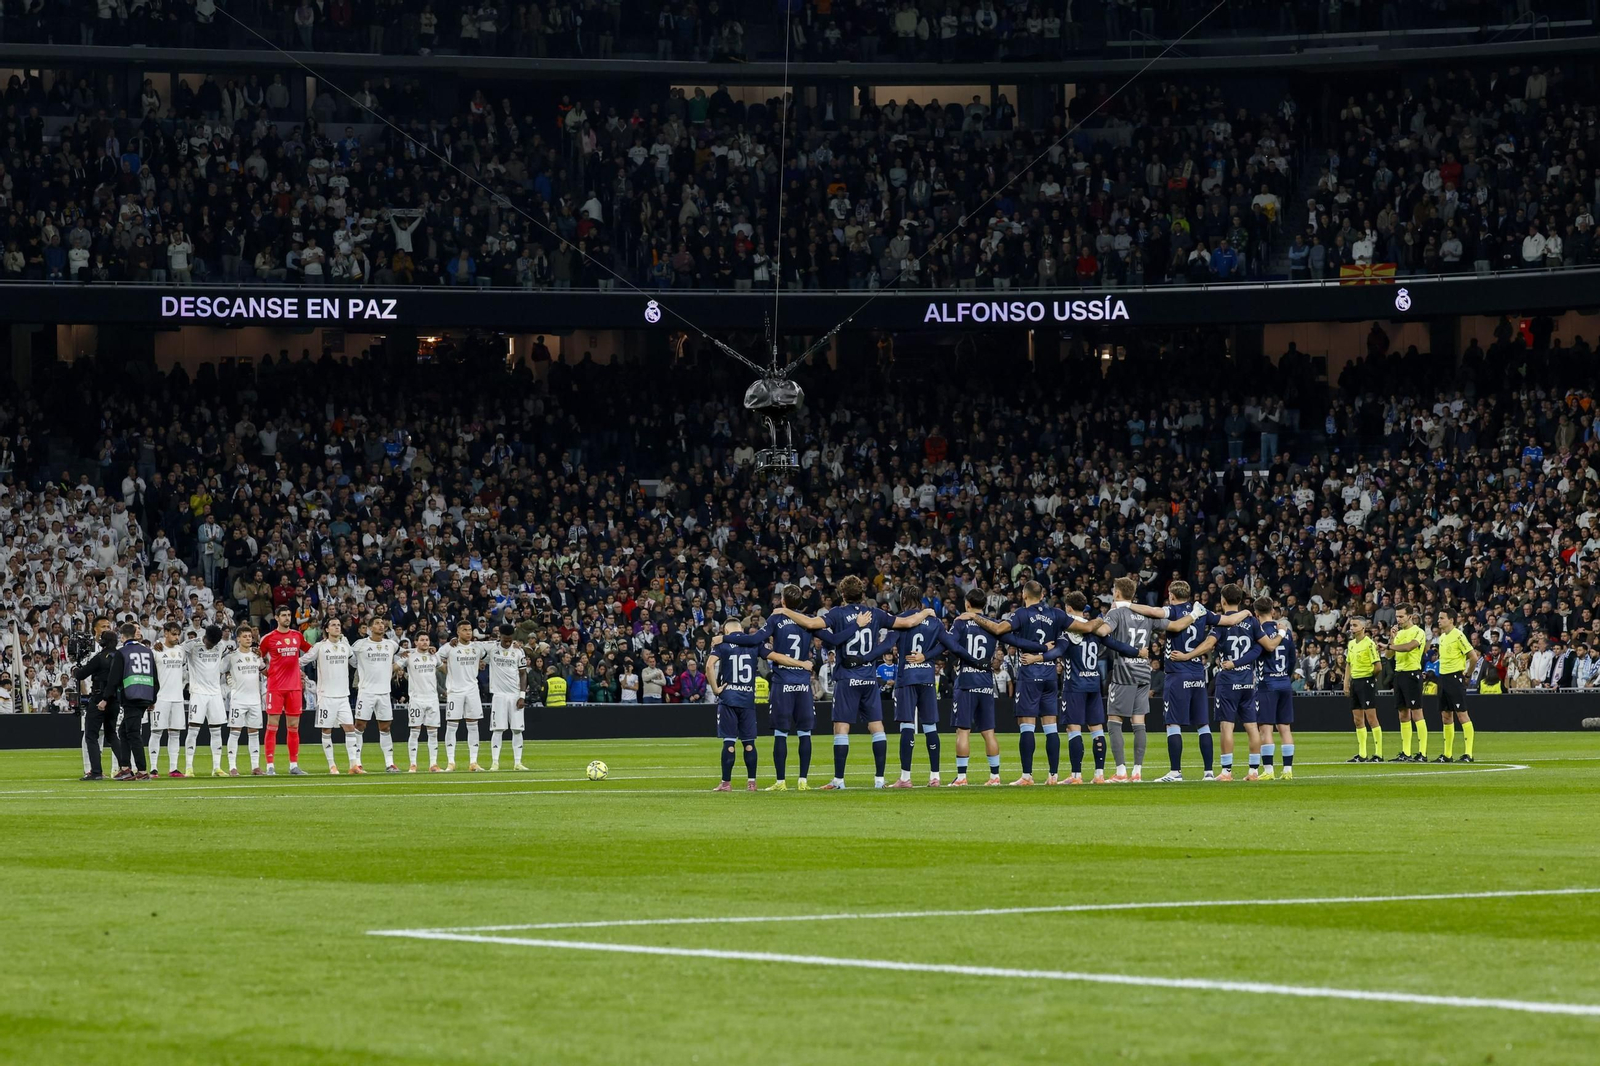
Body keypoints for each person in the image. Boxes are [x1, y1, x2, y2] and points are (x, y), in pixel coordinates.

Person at [773, 575, 933, 789]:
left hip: (847, 678)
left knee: (841, 727)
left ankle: (839, 780)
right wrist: (926, 611)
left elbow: (810, 623)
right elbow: (907, 622)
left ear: (842, 594)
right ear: (862, 593)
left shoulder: (838, 613)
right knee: (877, 727)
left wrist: (785, 610)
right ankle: (879, 780)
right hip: (868, 678)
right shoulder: (875, 613)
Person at [964, 579, 1101, 784]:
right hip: (1050, 675)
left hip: (1029, 673)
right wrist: (1103, 619)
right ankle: (1053, 776)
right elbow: (1089, 626)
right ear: (1043, 595)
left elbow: (1000, 630)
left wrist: (975, 616)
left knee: (1027, 726)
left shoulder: (1021, 613)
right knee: (1051, 727)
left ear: (1024, 595)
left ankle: (1027, 776)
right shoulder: (1056, 613)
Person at [722, 584, 821, 790]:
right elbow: (832, 638)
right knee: (804, 733)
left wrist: (723, 637)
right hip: (803, 683)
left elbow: (754, 639)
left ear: (783, 600)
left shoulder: (776, 619)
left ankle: (781, 781)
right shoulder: (809, 621)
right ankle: (803, 781)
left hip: (783, 681)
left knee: (781, 733)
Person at [706, 619, 812, 791]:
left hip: (728, 698)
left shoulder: (721, 644)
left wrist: (716, 689)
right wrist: (801, 664)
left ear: (725, 630)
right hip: (747, 699)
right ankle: (752, 783)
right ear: (740, 628)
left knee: (729, 742)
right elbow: (777, 657)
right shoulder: (754, 643)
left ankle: (726, 783)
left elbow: (710, 666)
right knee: (749, 743)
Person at [939, 590, 1011, 785]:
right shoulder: (991, 625)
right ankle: (995, 776)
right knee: (989, 731)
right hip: (986, 682)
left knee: (963, 731)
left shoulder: (961, 622)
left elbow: (951, 645)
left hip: (966, 682)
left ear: (967, 604)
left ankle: (962, 777)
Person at [888, 582, 952, 787]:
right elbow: (947, 644)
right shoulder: (933, 620)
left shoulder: (901, 619)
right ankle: (935, 776)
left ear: (904, 599)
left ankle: (905, 778)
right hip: (926, 678)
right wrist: (927, 656)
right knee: (930, 725)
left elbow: (888, 643)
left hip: (906, 678)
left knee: (907, 725)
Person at [1209, 584, 1266, 781]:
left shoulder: (1222, 622)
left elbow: (1210, 644)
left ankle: (1226, 772)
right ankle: (1253, 771)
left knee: (1227, 726)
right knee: (1252, 726)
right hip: (1247, 681)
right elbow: (1260, 647)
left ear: (1223, 601)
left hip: (1227, 681)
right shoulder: (1251, 621)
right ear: (1240, 600)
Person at [1102, 577, 1155, 782]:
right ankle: (1137, 772)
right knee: (1139, 721)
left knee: (1114, 721)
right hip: (1144, 672)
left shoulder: (1116, 613)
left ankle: (1121, 771)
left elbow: (1103, 632)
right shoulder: (1145, 612)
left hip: (1124, 672)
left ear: (1117, 593)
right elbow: (1171, 624)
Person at [303, 618, 359, 774]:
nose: (337, 627)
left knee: (350, 728)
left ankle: (353, 765)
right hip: (326, 696)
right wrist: (293, 667)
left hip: (343, 696)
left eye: (339, 625)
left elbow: (355, 663)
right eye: (333, 625)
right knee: (326, 730)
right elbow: (303, 660)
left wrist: (351, 649)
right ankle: (332, 765)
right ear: (326, 629)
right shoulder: (320, 647)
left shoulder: (345, 647)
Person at [259, 605, 310, 775]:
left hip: (294, 687)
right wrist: (266, 673)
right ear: (276, 618)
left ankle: (293, 765)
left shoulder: (297, 636)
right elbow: (257, 658)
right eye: (284, 615)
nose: (287, 618)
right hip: (276, 687)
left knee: (293, 726)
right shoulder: (268, 638)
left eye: (289, 615)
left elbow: (311, 651)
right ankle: (270, 766)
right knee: (272, 725)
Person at [105, 623, 157, 781]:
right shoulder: (148, 652)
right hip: (145, 694)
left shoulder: (122, 653)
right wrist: (152, 698)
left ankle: (141, 771)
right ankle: (125, 767)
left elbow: (113, 678)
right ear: (135, 635)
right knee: (124, 731)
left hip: (130, 695)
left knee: (133, 733)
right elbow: (155, 677)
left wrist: (105, 698)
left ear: (122, 637)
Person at [1252, 598, 1296, 780]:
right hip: (1284, 682)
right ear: (1273, 611)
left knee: (1266, 729)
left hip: (1266, 684)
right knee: (1285, 727)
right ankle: (1287, 771)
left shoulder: (1258, 631)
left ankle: (1269, 770)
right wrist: (1285, 675)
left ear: (1256, 613)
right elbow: (1293, 659)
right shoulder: (1286, 632)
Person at [351, 617, 402, 772]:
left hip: (384, 692)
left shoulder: (391, 644)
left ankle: (389, 763)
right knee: (360, 725)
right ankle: (357, 762)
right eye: (377, 624)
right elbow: (350, 659)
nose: (381, 625)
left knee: (385, 727)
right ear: (369, 628)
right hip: (366, 691)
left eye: (382, 623)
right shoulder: (360, 645)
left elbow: (403, 654)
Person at [183, 624, 233, 777]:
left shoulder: (221, 646)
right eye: (210, 643)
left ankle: (216, 768)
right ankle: (189, 768)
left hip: (215, 693)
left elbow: (229, 656)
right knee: (193, 730)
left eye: (214, 644)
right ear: (205, 637)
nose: (211, 646)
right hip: (198, 693)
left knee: (216, 731)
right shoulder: (192, 644)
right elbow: (175, 650)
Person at [438, 621, 489, 771]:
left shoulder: (477, 648)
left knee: (473, 725)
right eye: (464, 630)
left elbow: (489, 654)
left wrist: (481, 664)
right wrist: (448, 672)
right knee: (452, 726)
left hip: (472, 691)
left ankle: (473, 762)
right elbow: (434, 659)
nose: (468, 632)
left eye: (470, 630)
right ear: (458, 633)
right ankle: (451, 762)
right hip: (455, 691)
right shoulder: (449, 647)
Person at [72, 628, 121, 780]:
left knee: (91, 735)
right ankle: (125, 767)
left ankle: (96, 771)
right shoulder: (120, 656)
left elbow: (81, 674)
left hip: (99, 698)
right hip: (115, 699)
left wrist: (74, 668)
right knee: (112, 734)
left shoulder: (100, 657)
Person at [1385, 605, 1428, 761]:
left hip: (1412, 674)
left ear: (1410, 616)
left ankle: (1422, 753)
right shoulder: (1399, 633)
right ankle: (1406, 752)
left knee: (1417, 713)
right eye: (1397, 616)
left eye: (1401, 616)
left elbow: (1410, 647)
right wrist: (1391, 638)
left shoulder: (1418, 631)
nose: (1398, 619)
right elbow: (1389, 655)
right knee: (1403, 714)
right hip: (1399, 674)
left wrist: (1390, 645)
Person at [222, 626, 266, 775]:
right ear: (238, 639)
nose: (248, 638)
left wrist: (264, 659)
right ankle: (232, 766)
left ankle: (255, 766)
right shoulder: (231, 656)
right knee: (235, 732)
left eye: (250, 636)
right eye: (245, 636)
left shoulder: (256, 656)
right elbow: (221, 669)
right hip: (238, 700)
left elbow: (264, 671)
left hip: (255, 700)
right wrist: (229, 679)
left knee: (254, 733)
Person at [485, 624, 529, 771]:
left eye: (510, 640)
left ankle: (518, 762)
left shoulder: (518, 651)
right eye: (505, 639)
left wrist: (522, 696)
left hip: (515, 695)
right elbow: (474, 646)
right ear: (500, 637)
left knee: (517, 729)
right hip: (498, 695)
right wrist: (454, 640)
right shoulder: (492, 649)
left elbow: (523, 674)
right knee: (498, 729)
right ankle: (495, 762)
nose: (508, 642)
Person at [1435, 609, 1477, 763]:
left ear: (1451, 620)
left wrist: (1467, 674)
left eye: (1442, 618)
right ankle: (1447, 754)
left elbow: (1473, 657)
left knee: (1462, 714)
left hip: (1454, 677)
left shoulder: (1458, 635)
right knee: (1446, 716)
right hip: (1443, 678)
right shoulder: (1442, 637)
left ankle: (1468, 754)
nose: (1439, 620)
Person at [400, 632, 445, 772]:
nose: (425, 642)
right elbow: (396, 666)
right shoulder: (409, 656)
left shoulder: (434, 656)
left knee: (433, 732)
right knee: (415, 732)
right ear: (416, 642)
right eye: (422, 640)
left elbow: (445, 669)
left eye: (427, 639)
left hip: (432, 699)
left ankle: (433, 764)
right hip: (416, 699)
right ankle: (413, 764)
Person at [151, 622, 191, 777]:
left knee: (175, 733)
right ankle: (154, 767)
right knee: (156, 732)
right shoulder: (155, 650)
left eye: (178, 634)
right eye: (173, 634)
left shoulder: (182, 651)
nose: (176, 637)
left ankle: (173, 768)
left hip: (177, 698)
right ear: (165, 633)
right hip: (160, 698)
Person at [1345, 618, 1383, 762]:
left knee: (1371, 717)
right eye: (1351, 625)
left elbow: (1378, 666)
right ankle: (1362, 754)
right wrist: (1346, 683)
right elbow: (1348, 664)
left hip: (1365, 681)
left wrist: (1369, 678)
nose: (1352, 628)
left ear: (1363, 627)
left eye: (1355, 625)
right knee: (1357, 719)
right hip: (1355, 682)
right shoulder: (1351, 644)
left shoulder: (1369, 644)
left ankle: (1378, 753)